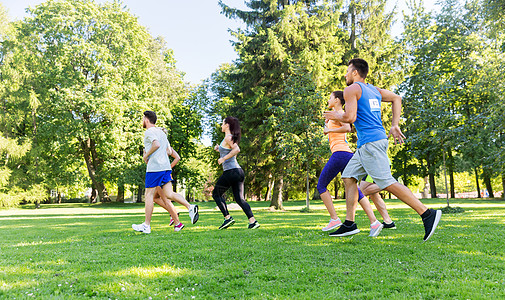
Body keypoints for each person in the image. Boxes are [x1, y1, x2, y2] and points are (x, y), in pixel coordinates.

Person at [324, 58, 441, 241]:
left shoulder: (351, 89)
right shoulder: (374, 90)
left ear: (355, 73)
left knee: (386, 182)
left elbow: (350, 117)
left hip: (371, 144)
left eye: (347, 71)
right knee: (348, 177)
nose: (345, 75)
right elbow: (396, 98)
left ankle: (426, 213)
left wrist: (337, 115)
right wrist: (394, 125)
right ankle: (349, 224)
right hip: (367, 145)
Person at [318, 91, 385, 237]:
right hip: (346, 154)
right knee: (356, 191)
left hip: (340, 154)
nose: (328, 99)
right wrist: (329, 126)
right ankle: (374, 222)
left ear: (337, 100)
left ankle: (335, 219)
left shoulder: (339, 113)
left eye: (330, 97)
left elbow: (348, 128)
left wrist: (329, 129)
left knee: (321, 185)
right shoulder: (335, 114)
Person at [132, 111, 199, 234]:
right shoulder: (162, 133)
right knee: (169, 193)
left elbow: (156, 145)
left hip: (155, 168)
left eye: (142, 119)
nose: (142, 121)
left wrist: (146, 155)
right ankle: (190, 207)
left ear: (146, 120)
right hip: (166, 167)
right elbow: (168, 151)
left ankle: (146, 225)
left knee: (149, 195)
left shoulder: (150, 132)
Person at [212, 117, 260, 230]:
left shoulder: (229, 137)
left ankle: (227, 218)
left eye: (222, 123)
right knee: (239, 199)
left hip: (231, 171)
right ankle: (253, 221)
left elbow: (236, 150)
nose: (221, 125)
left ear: (227, 125)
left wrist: (223, 159)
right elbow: (230, 150)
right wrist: (219, 149)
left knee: (216, 194)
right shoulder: (228, 139)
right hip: (237, 172)